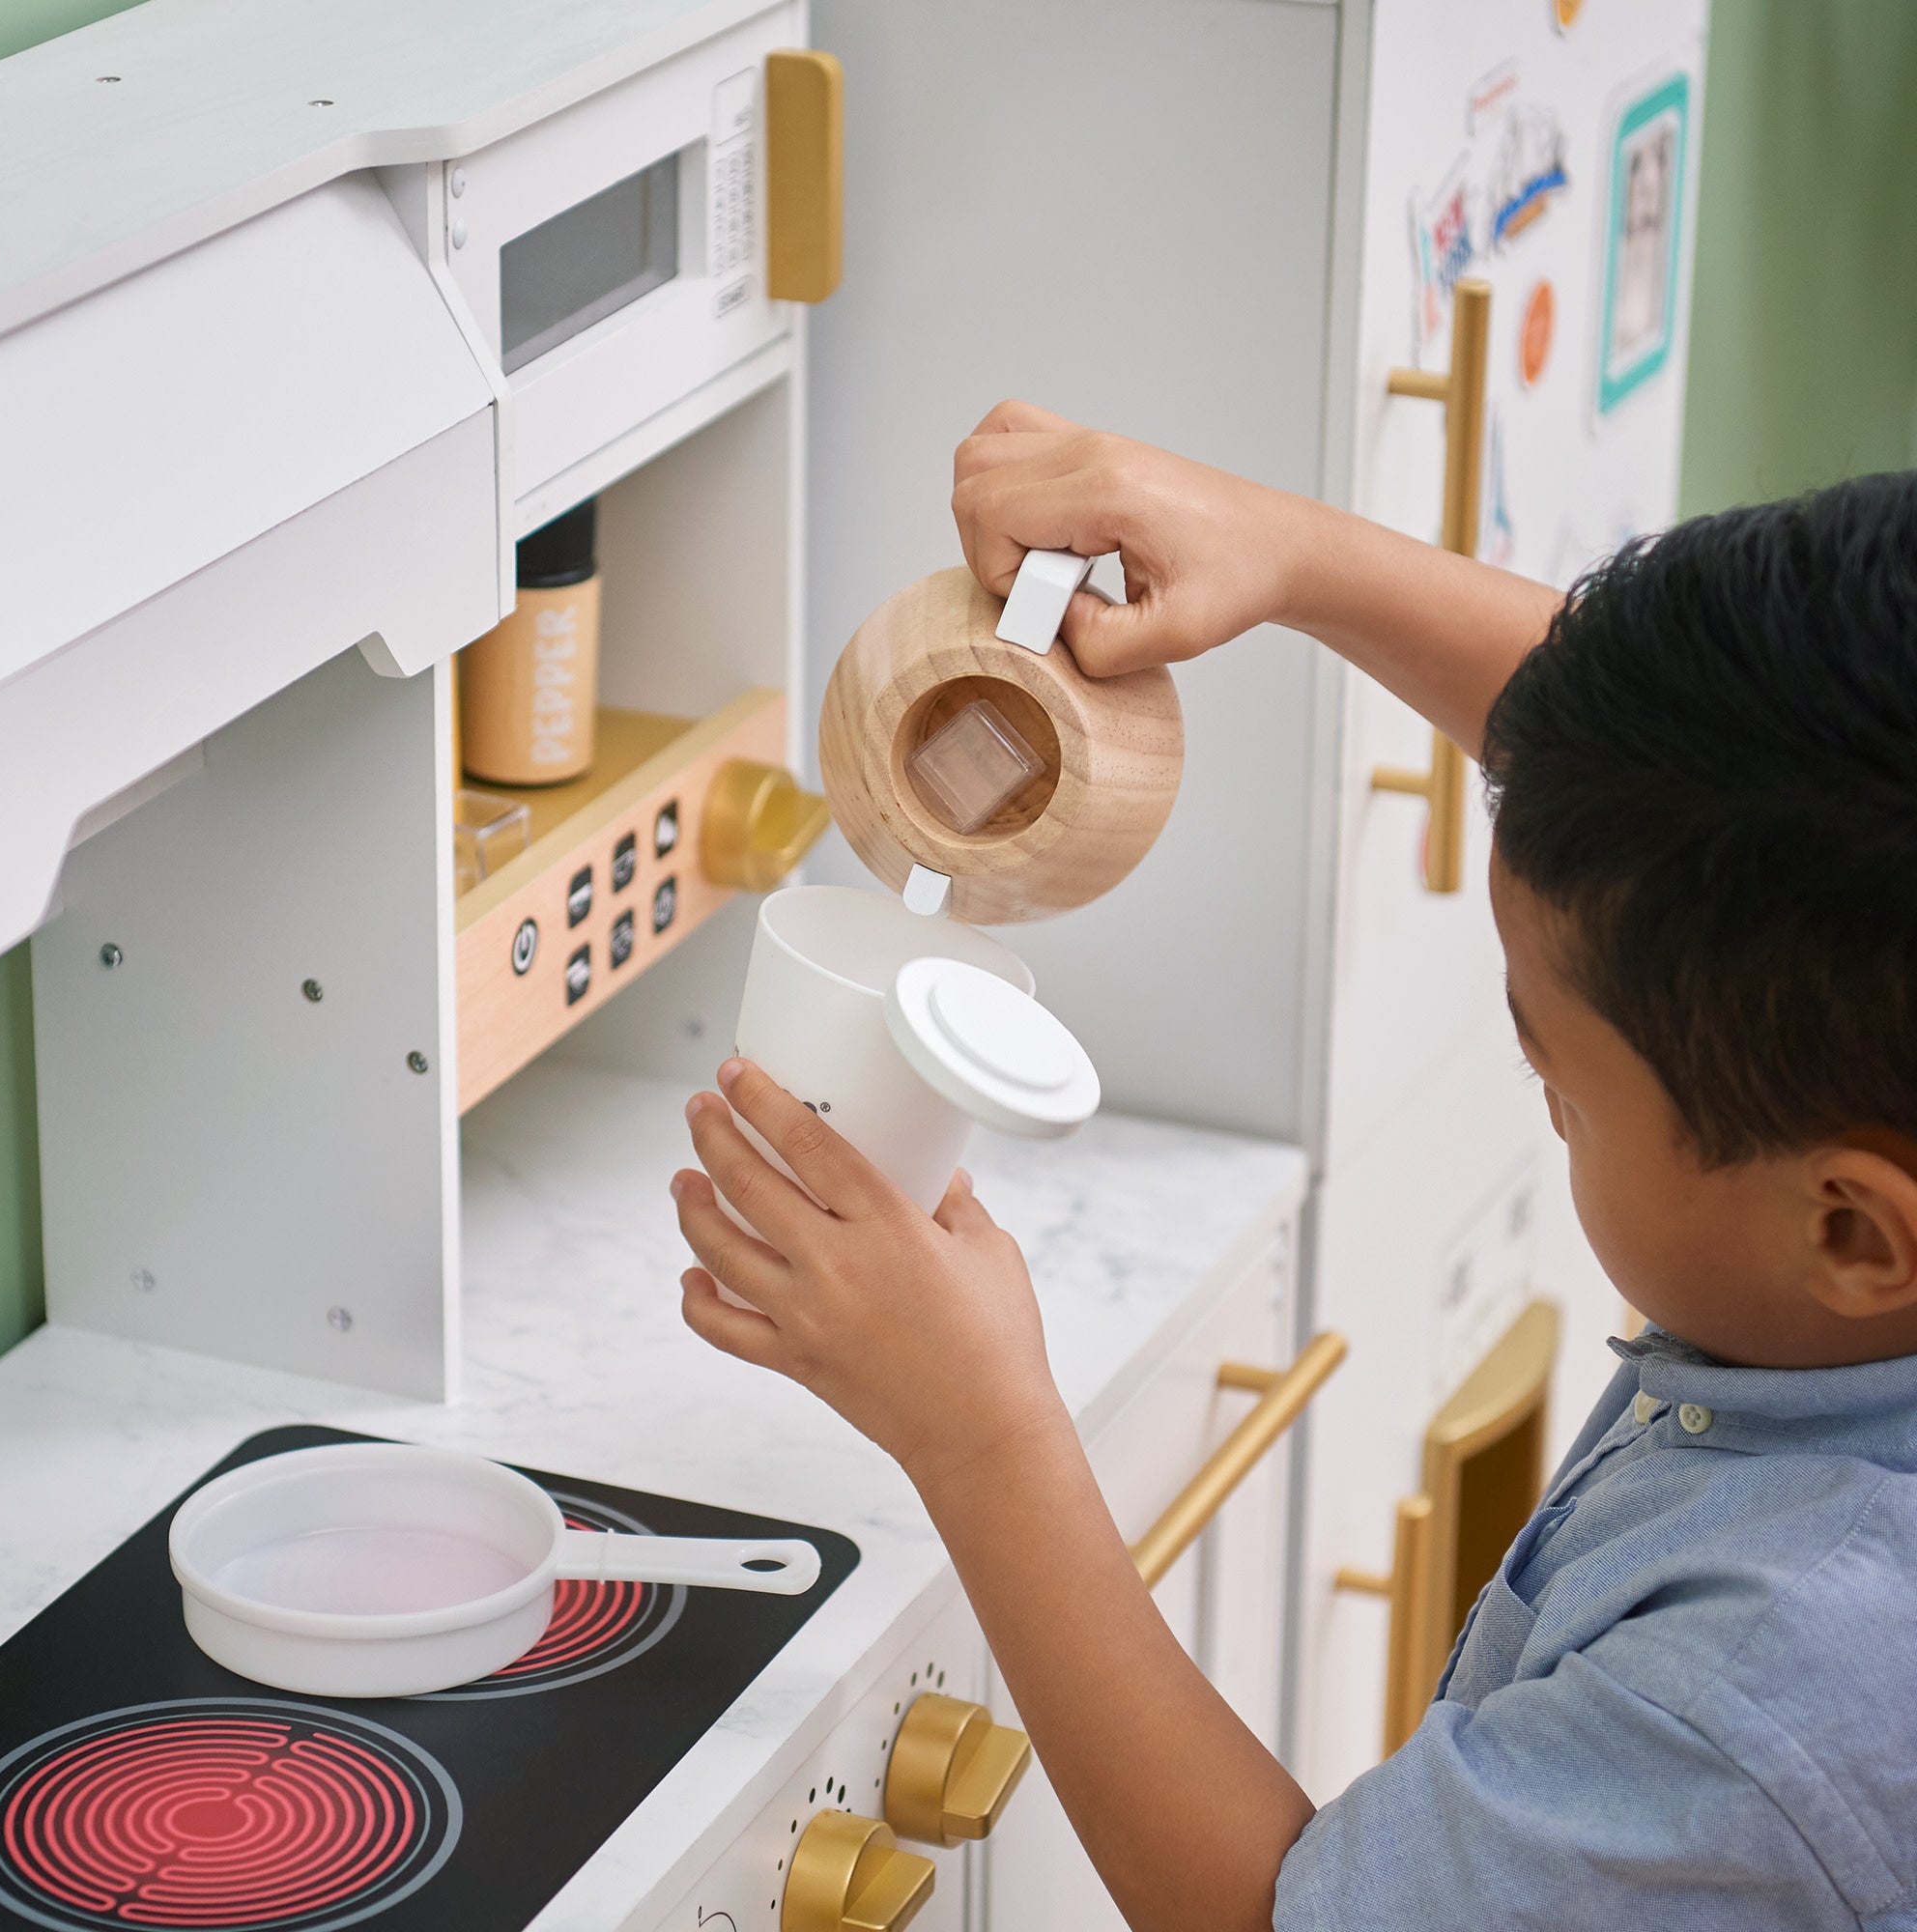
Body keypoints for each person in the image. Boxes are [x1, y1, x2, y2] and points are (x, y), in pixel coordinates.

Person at [669, 401, 1917, 1929]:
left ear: (1856, 1232)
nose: (1544, 1104)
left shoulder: (1767, 1701)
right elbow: (1695, 799)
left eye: (1562, 1086)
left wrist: (981, 1434)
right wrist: (1299, 556)